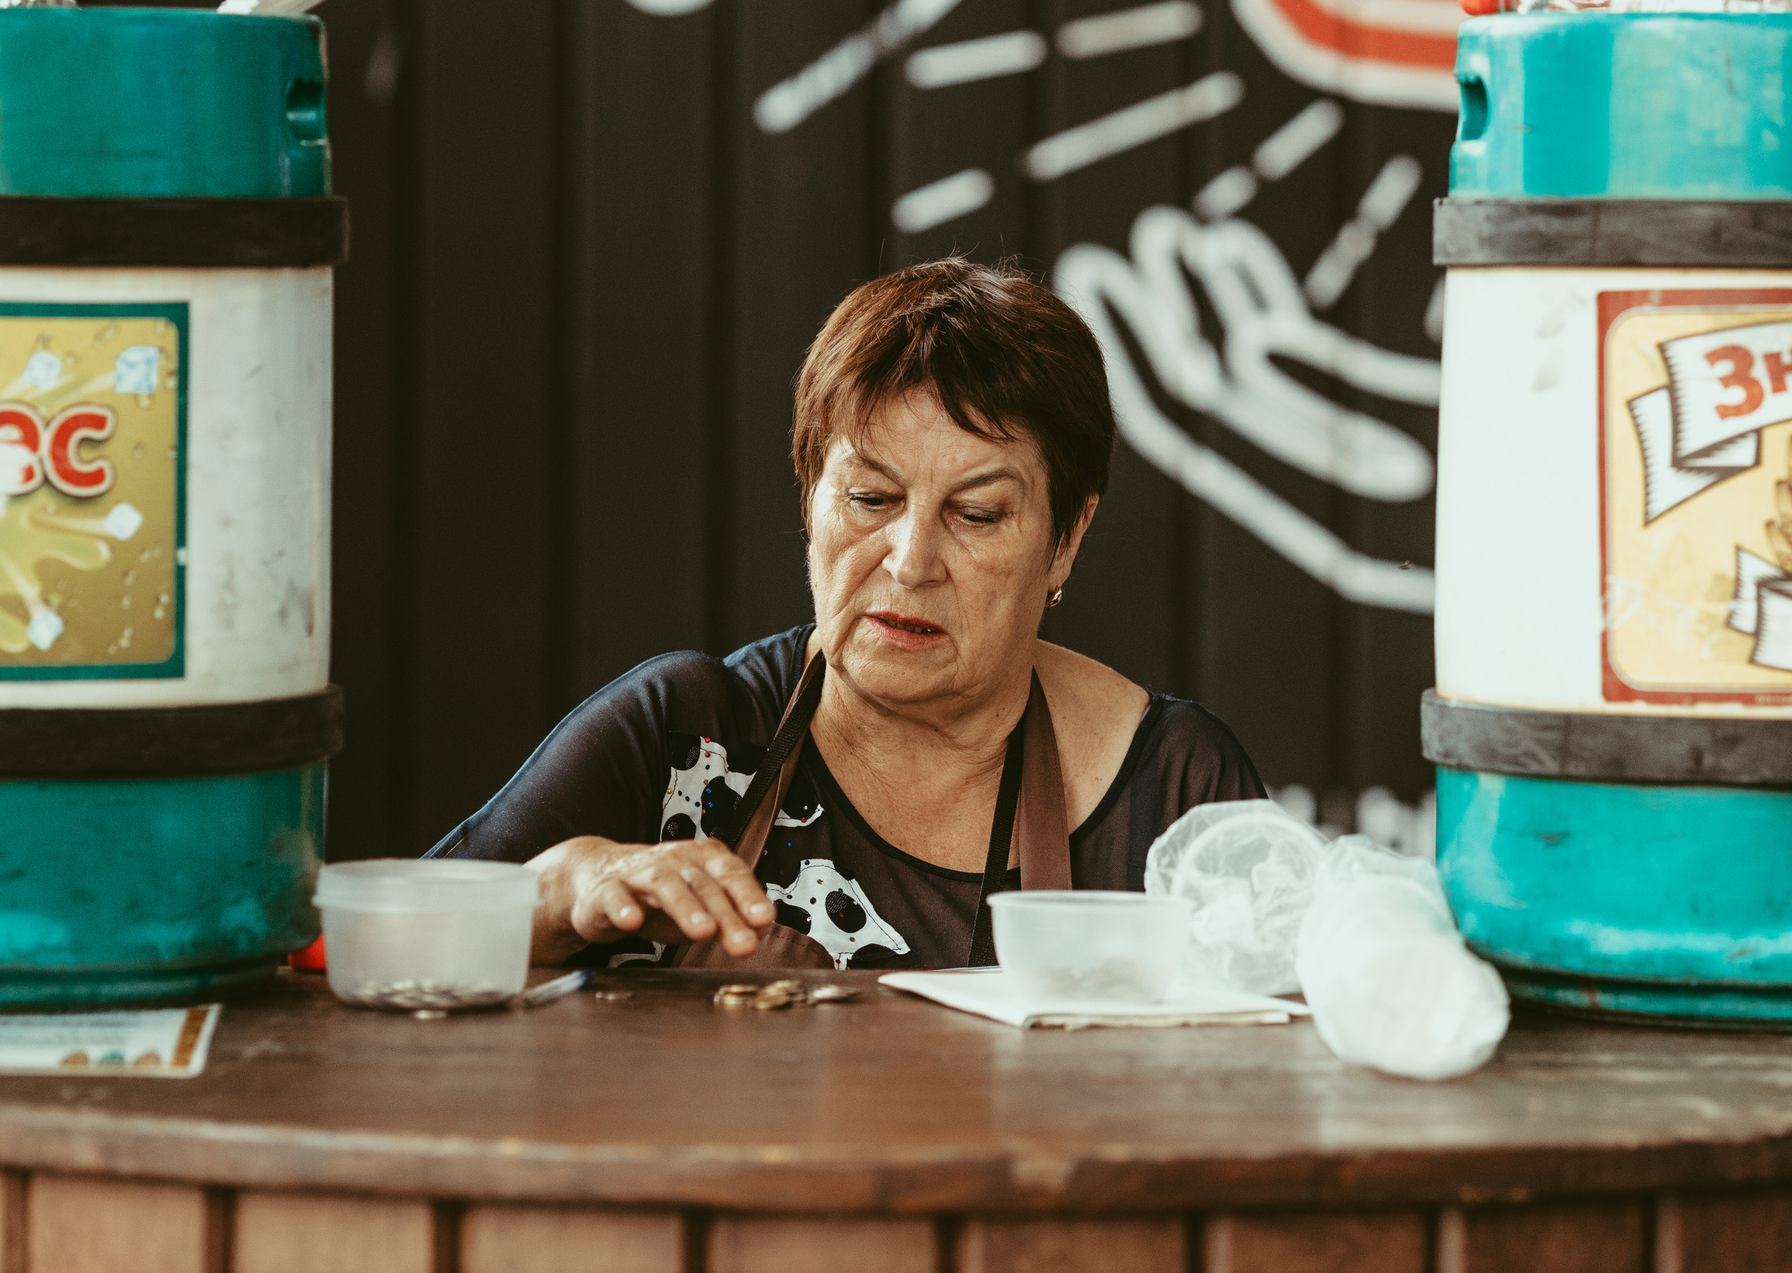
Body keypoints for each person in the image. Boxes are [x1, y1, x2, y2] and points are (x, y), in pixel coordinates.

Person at [431, 257, 1264, 970]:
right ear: (810, 496)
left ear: (1066, 539)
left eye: (975, 514)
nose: (909, 561)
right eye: (870, 497)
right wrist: (553, 894)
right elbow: (338, 954)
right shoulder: (687, 739)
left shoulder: (1175, 794)